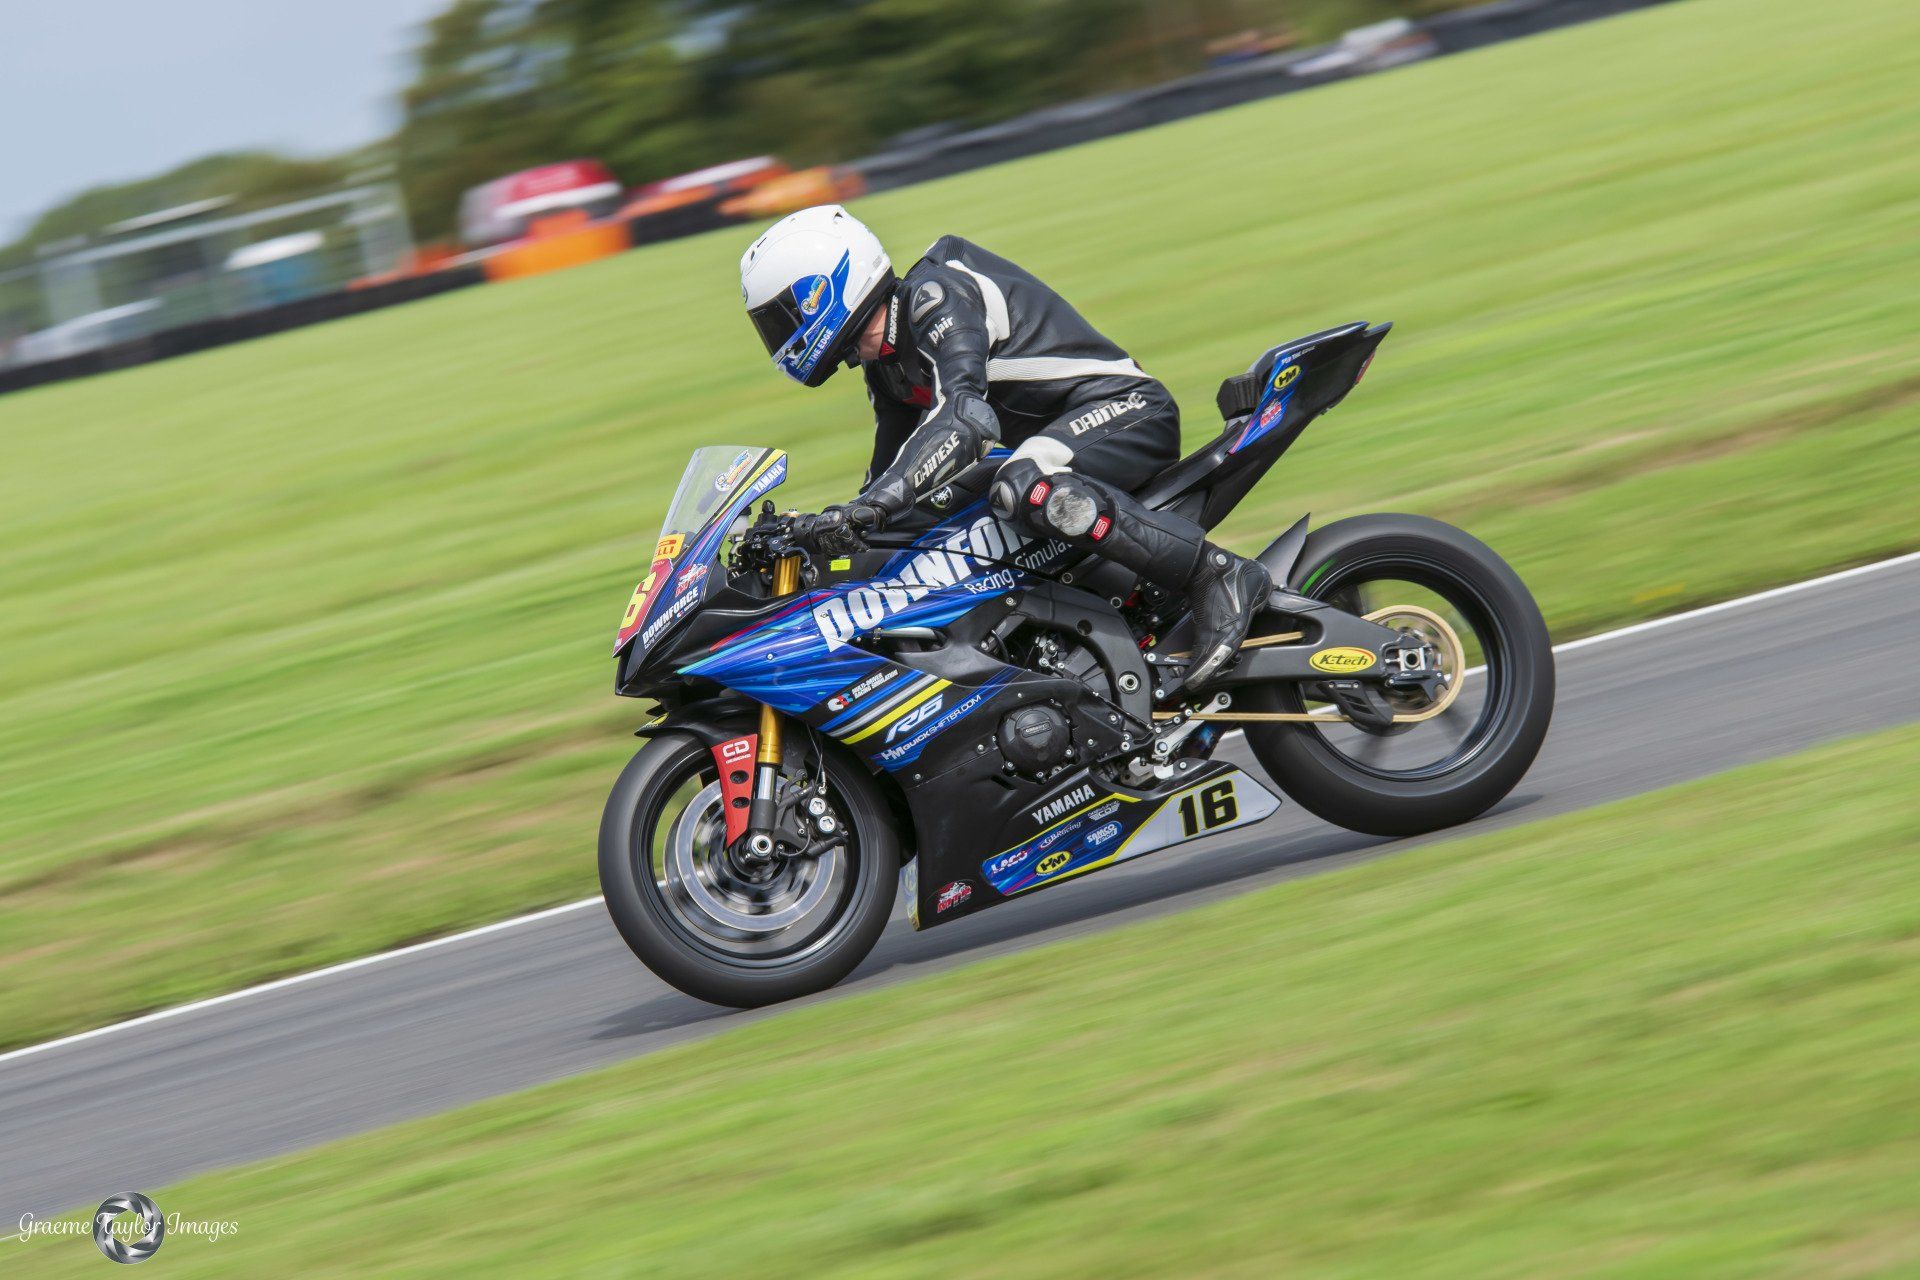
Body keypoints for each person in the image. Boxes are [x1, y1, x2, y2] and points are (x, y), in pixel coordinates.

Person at [739, 204, 1270, 693]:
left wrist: (871, 508)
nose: (780, 336)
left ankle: (1217, 573)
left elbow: (966, 420)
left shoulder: (937, 296)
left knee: (1019, 485)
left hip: (1128, 412)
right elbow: (891, 473)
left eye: (781, 316)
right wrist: (828, 531)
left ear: (823, 289)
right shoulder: (888, 363)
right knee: (926, 520)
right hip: (1061, 447)